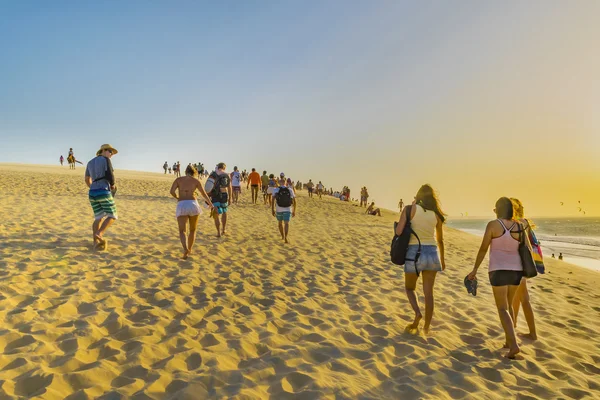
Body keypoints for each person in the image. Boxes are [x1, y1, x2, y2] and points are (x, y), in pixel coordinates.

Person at [467, 197, 526, 359]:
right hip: (516, 270)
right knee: (510, 306)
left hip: (498, 269)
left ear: (498, 209)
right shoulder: (519, 226)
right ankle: (509, 341)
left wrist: (475, 269)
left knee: (502, 308)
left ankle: (513, 345)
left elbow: (483, 249)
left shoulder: (493, 225)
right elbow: (523, 249)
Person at [395, 184, 446, 334]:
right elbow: (441, 240)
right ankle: (426, 328)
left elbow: (399, 232)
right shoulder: (436, 214)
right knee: (429, 293)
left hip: (413, 252)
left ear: (418, 195)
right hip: (432, 252)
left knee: (410, 288)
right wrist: (442, 260)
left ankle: (417, 313)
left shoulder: (410, 210)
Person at [170, 165, 213, 259]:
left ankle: (185, 249)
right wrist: (210, 204)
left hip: (182, 204)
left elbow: (172, 191)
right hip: (193, 204)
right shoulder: (196, 181)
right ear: (194, 173)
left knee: (182, 231)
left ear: (185, 171)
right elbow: (203, 194)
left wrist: (177, 197)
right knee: (192, 230)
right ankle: (190, 249)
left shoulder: (178, 180)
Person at [510, 198, 537, 341]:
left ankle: (533, 333)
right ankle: (513, 325)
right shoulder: (525, 222)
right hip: (523, 264)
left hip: (517, 265)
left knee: (524, 298)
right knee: (518, 297)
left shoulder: (517, 223)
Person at [85, 144, 118, 251]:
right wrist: (112, 185)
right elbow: (110, 174)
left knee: (98, 217)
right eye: (110, 151)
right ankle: (99, 233)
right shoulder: (106, 160)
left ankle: (95, 243)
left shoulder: (90, 162)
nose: (111, 154)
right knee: (113, 215)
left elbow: (87, 179)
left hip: (92, 192)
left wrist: (93, 187)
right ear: (103, 150)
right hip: (103, 189)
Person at [207, 163, 232, 237]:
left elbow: (209, 186)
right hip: (224, 195)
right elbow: (229, 188)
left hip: (215, 195)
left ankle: (218, 233)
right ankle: (223, 230)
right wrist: (230, 198)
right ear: (224, 168)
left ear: (218, 167)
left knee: (216, 213)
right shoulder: (226, 175)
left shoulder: (213, 174)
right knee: (224, 212)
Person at [272, 177, 297, 243]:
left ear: (279, 183)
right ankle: (286, 237)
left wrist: (272, 209)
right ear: (285, 183)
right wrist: (294, 210)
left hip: (279, 209)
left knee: (280, 223)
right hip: (288, 209)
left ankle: (282, 236)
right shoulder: (290, 190)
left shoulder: (275, 190)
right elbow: (294, 201)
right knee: (286, 223)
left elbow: (273, 200)